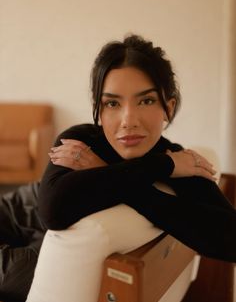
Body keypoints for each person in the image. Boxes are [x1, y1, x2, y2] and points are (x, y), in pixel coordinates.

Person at [37, 34, 236, 261]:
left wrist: (106, 171)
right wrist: (163, 166)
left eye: (146, 101)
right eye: (112, 103)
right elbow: (52, 211)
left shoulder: (175, 159)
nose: (128, 120)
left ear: (168, 108)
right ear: (99, 111)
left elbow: (231, 241)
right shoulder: (80, 142)